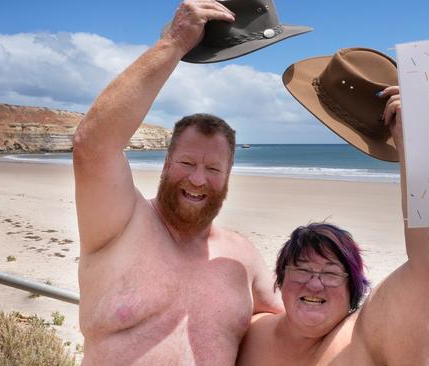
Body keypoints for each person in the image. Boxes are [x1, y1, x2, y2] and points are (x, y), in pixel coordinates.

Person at [72, 1, 283, 364]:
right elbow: (93, 147)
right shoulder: (121, 225)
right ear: (166, 164)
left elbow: (307, 323)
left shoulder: (242, 258)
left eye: (213, 169)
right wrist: (173, 43)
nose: (198, 179)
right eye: (187, 163)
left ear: (228, 176)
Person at [236, 86, 429, 365]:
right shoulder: (253, 331)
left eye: (330, 274)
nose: (314, 284)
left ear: (352, 288)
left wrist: (417, 148)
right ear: (280, 280)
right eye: (302, 270)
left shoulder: (365, 336)